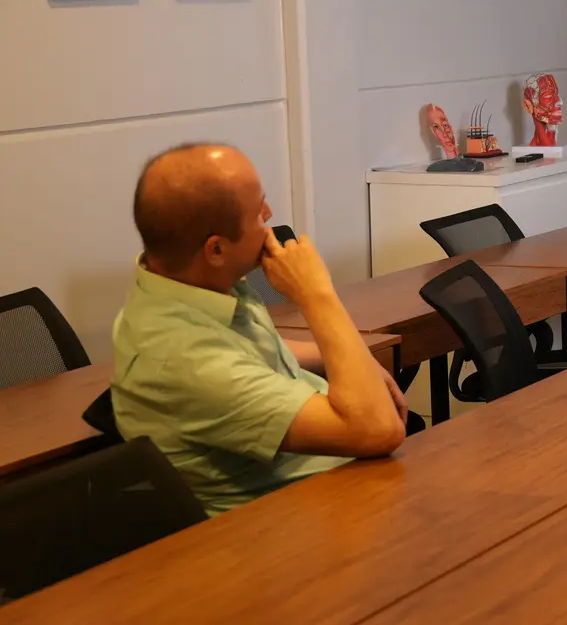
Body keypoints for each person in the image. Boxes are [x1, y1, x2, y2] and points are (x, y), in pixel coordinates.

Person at [112, 143, 407, 515]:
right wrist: (317, 294)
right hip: (287, 523)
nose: (269, 215)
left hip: (341, 487)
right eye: (257, 212)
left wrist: (352, 358)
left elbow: (251, 350)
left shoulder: (179, 286)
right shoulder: (184, 359)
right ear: (216, 250)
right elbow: (379, 430)